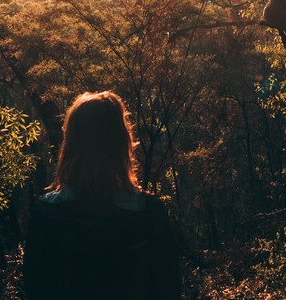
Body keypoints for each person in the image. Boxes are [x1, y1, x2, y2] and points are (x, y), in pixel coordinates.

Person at [23, 91, 181, 300]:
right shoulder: (149, 214)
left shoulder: (46, 215)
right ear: (122, 142)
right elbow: (169, 289)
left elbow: (36, 290)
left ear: (70, 143)